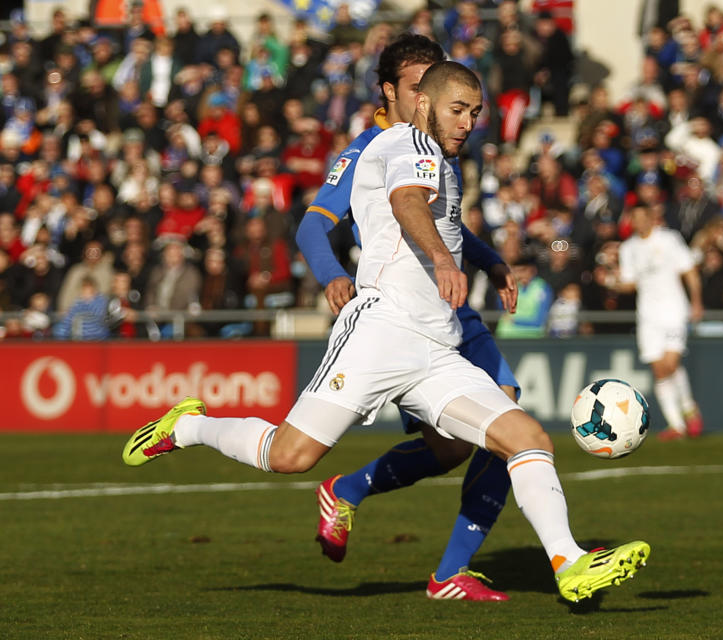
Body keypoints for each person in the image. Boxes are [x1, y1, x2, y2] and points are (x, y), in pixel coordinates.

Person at [122, 61, 650, 604]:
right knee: (288, 455)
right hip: (381, 333)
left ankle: (570, 564)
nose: (468, 122)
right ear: (420, 103)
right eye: (457, 110)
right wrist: (446, 263)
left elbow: (435, 214)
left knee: (527, 439)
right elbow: (405, 202)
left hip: (436, 346)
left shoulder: (441, 158)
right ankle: (189, 427)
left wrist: (486, 259)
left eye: (474, 112)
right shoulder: (409, 145)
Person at [295, 35, 520, 601]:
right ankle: (360, 499)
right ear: (391, 91)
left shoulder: (439, 142)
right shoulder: (370, 147)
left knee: (488, 429)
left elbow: (441, 220)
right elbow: (311, 226)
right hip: (397, 314)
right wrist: (331, 276)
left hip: (449, 304)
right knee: (462, 444)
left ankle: (440, 564)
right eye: (420, 85)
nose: (432, 95)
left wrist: (489, 258)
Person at [618, 205, 705, 440]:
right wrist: (610, 281)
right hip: (648, 314)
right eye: (634, 218)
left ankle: (688, 406)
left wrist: (696, 301)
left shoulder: (669, 239)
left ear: (651, 218)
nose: (639, 222)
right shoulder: (628, 248)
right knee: (659, 369)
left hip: (674, 309)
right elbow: (628, 283)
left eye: (642, 217)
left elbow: (689, 270)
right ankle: (677, 425)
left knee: (671, 362)